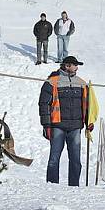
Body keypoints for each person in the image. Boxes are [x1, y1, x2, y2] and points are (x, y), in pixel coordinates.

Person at [39, 56, 90, 186]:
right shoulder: (52, 82)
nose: (77, 68)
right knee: (53, 159)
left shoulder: (82, 83)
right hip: (57, 126)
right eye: (75, 65)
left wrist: (89, 122)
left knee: (76, 160)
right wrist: (46, 125)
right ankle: (52, 186)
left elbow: (88, 105)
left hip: (75, 127)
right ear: (67, 66)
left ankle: (74, 187)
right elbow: (43, 104)